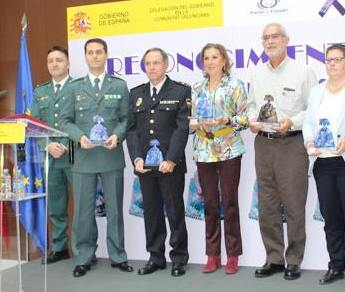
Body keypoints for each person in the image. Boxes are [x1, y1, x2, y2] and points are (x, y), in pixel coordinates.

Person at [247, 23, 317, 280]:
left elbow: (313, 108)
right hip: (263, 144)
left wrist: (293, 122)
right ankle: (273, 257)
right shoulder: (256, 73)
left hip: (291, 144)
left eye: (274, 36)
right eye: (265, 37)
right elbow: (252, 106)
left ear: (286, 40)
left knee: (294, 204)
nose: (270, 41)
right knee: (267, 205)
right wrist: (251, 120)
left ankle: (294, 259)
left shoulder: (303, 71)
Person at [59, 38, 133, 277]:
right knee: (82, 211)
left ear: (106, 55)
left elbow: (126, 120)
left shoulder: (119, 86)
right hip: (84, 157)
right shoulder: (74, 87)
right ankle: (84, 257)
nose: (94, 56)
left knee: (114, 210)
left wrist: (117, 136)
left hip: (111, 155)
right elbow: (65, 121)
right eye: (90, 53)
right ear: (85, 56)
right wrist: (79, 137)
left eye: (98, 52)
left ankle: (118, 255)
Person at [302, 44, 345, 290]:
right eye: (328, 60)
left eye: (337, 60)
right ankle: (336, 266)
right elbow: (309, 121)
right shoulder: (317, 91)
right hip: (322, 161)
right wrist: (309, 140)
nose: (331, 64)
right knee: (331, 219)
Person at [126, 47, 191, 277]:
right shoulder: (136, 93)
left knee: (174, 212)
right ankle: (155, 257)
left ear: (166, 65)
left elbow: (182, 128)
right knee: (151, 213)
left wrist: (172, 159)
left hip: (170, 165)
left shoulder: (181, 91)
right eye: (148, 63)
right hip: (145, 165)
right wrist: (136, 157)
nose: (152, 67)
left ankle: (179, 258)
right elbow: (131, 130)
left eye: (156, 63)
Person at [189, 43, 249, 275]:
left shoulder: (235, 85)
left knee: (230, 203)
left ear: (224, 61)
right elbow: (193, 119)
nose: (211, 61)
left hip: (229, 149)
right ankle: (212, 254)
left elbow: (244, 118)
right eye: (207, 58)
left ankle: (233, 255)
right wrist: (193, 124)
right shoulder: (196, 88)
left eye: (215, 57)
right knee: (210, 204)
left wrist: (226, 121)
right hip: (203, 149)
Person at [31, 45, 75, 264]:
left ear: (68, 63)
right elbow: (34, 125)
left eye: (59, 60)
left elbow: (82, 121)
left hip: (75, 154)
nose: (55, 64)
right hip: (49, 156)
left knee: (84, 205)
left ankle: (84, 249)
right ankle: (59, 248)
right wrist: (47, 145)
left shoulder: (79, 87)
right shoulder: (40, 92)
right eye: (51, 61)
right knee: (56, 206)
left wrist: (64, 144)